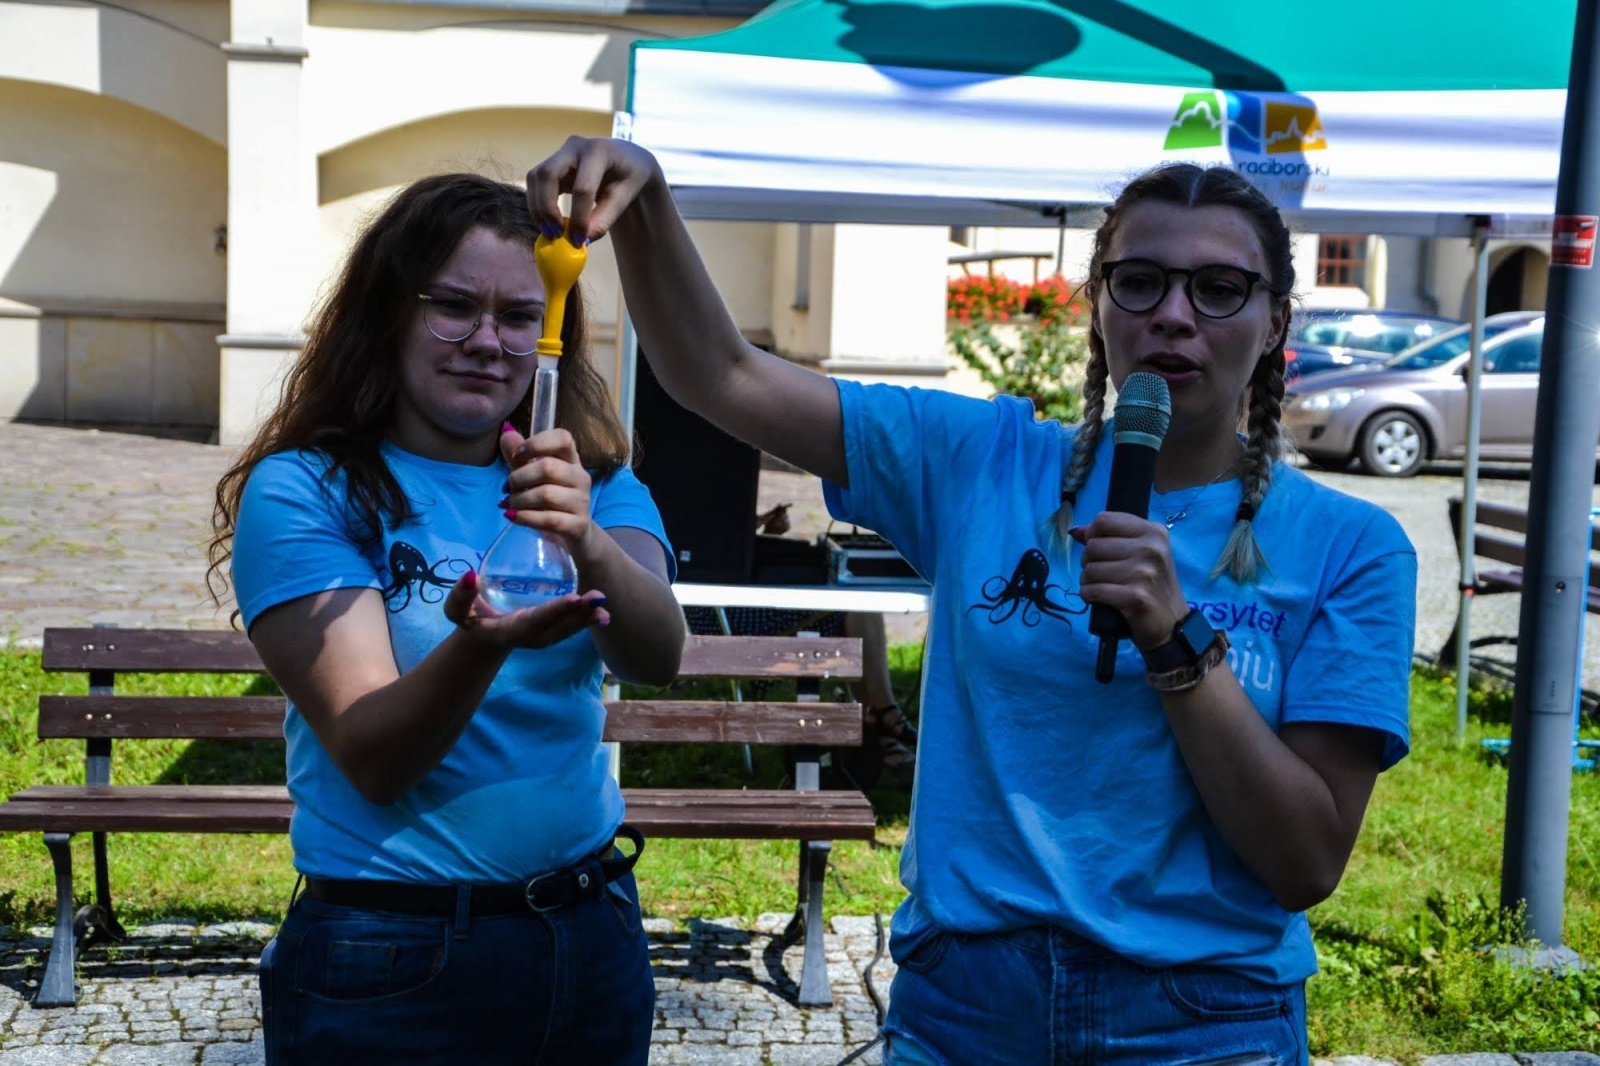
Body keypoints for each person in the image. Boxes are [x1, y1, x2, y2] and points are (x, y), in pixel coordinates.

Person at [528, 139, 1417, 1064]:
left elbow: (1305, 861)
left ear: (1276, 322)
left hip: (1201, 1019)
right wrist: (649, 203)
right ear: (1100, 308)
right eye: (1141, 282)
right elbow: (721, 374)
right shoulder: (984, 462)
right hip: (969, 1006)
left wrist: (1176, 641)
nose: (1175, 317)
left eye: (1221, 289)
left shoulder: (1351, 548)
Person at [206, 173, 685, 1064]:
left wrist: (585, 539)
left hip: (589, 937)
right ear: (388, 313)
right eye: (452, 307)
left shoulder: (599, 484)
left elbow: (658, 653)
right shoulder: (311, 489)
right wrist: (480, 644)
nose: (485, 342)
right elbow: (375, 756)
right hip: (391, 956)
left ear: (550, 336)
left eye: (517, 316)